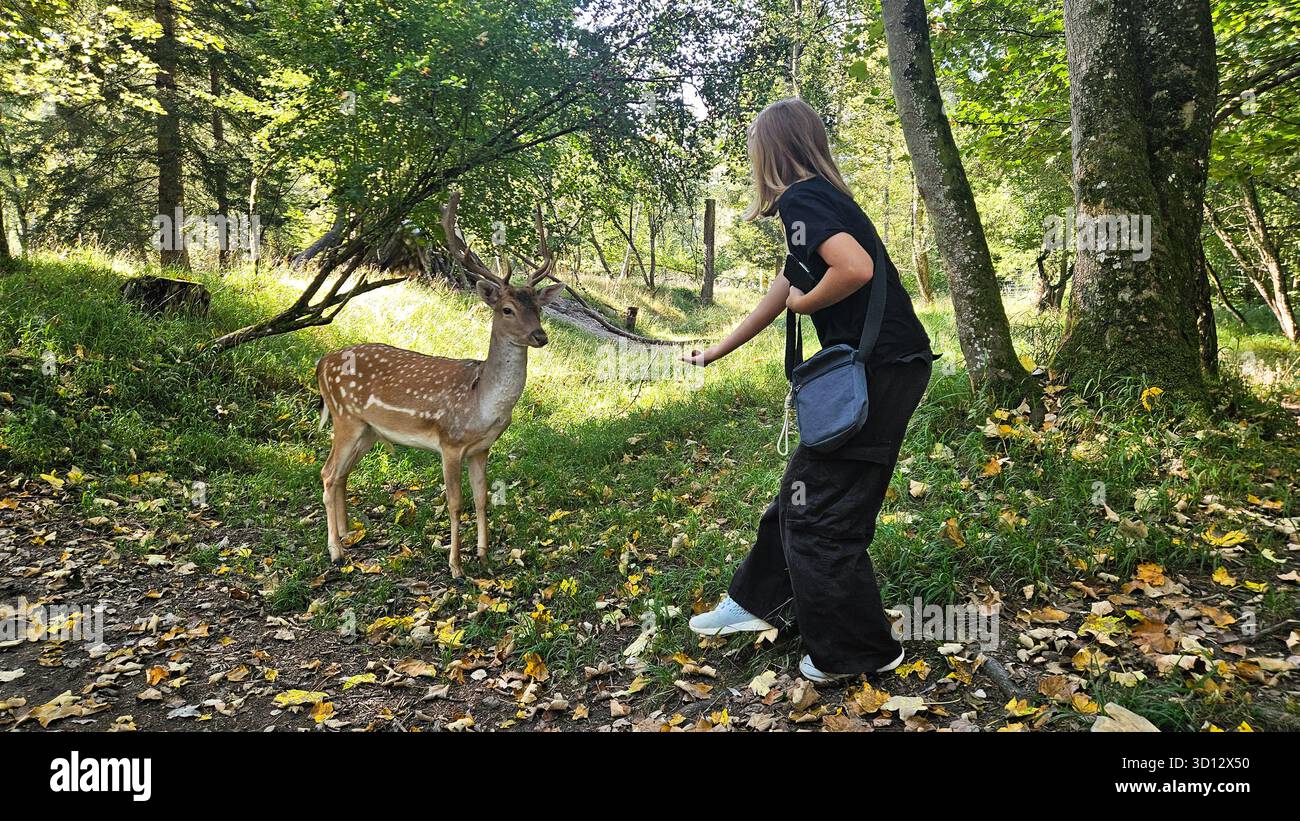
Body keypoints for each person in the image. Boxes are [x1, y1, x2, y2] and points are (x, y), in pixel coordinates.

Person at [682, 98, 935, 683]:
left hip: (881, 370)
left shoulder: (802, 198)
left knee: (821, 513)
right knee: (801, 493)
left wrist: (806, 302)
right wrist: (718, 349)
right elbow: (785, 287)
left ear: (771, 150)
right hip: (889, 366)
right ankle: (754, 603)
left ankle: (860, 651)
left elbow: (852, 270)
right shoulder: (820, 202)